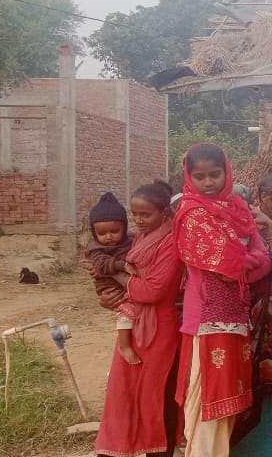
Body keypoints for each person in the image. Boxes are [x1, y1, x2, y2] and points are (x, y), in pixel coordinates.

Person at [173, 143, 272, 456]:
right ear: (189, 177)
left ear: (226, 172)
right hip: (206, 320)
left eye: (214, 174)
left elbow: (262, 261)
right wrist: (246, 262)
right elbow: (233, 265)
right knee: (207, 401)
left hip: (236, 318)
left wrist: (243, 263)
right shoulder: (192, 214)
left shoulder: (238, 209)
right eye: (199, 176)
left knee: (229, 401)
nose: (208, 182)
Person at [93, 181, 183, 457]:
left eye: (145, 214)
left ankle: (160, 451)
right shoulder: (142, 238)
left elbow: (153, 292)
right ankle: (122, 447)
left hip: (160, 328)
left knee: (155, 394)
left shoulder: (170, 242)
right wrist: (120, 283)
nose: (138, 220)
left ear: (164, 213)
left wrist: (118, 275)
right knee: (123, 393)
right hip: (135, 323)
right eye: (135, 214)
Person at [84, 192, 141, 365]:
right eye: (102, 233)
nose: (108, 237)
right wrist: (121, 266)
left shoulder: (132, 241)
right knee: (127, 312)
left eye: (114, 231)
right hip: (111, 288)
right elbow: (101, 264)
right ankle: (124, 345)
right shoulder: (95, 249)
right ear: (94, 232)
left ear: (124, 227)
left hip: (129, 286)